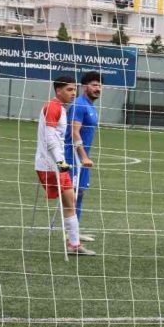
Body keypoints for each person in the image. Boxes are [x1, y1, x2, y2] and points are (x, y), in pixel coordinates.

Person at [35, 75, 94, 256]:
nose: (73, 93)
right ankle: (73, 245)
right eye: (69, 89)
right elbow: (50, 139)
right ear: (58, 90)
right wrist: (62, 164)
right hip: (52, 166)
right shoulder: (53, 107)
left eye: (74, 89)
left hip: (53, 164)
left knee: (70, 201)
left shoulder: (60, 108)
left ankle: (74, 243)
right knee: (70, 201)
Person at [64, 71, 102, 238]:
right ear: (85, 86)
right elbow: (74, 132)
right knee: (71, 195)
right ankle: (70, 234)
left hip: (80, 158)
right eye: (94, 85)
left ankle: (74, 232)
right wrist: (83, 156)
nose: (98, 88)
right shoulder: (79, 105)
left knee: (79, 193)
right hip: (72, 157)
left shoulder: (90, 105)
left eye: (100, 85)